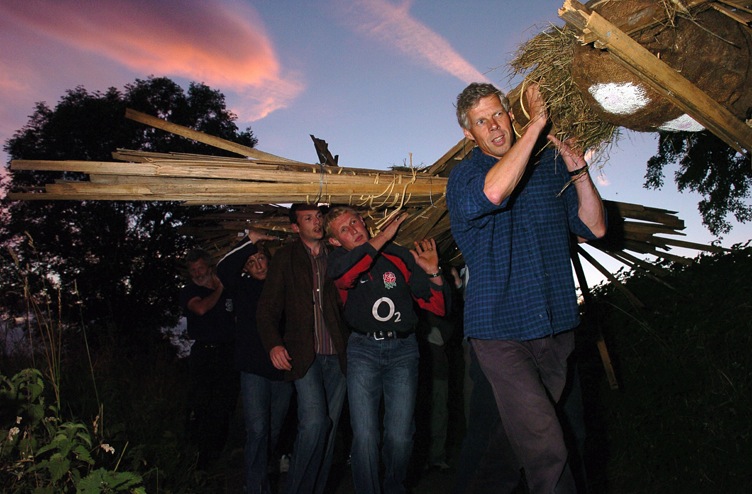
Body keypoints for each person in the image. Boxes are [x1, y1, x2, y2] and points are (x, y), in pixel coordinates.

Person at [445, 82, 607, 493]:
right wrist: (538, 124)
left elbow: (595, 227)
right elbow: (495, 192)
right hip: (500, 333)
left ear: (509, 114)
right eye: (482, 122)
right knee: (547, 446)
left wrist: (579, 172)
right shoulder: (465, 176)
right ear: (469, 134)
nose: (495, 126)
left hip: (555, 326)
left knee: (509, 447)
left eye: (498, 114)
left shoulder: (549, 166)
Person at [324, 206, 448, 494]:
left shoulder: (399, 256)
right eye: (344, 229)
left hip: (403, 351)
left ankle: (394, 487)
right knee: (366, 436)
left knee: (401, 436)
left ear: (363, 221)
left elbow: (438, 306)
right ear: (334, 241)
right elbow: (345, 277)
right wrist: (382, 236)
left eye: (355, 222)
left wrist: (434, 273)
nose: (354, 230)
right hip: (363, 351)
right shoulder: (339, 261)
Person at [257, 203, 348, 494]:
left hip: (338, 353)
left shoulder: (337, 256)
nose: (317, 222)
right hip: (304, 355)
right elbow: (266, 309)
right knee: (314, 424)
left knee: (330, 430)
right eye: (308, 218)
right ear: (296, 227)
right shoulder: (285, 258)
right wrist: (274, 344)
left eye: (319, 216)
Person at [216, 231, 293, 494]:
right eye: (251, 262)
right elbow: (224, 269)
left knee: (271, 432)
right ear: (245, 268)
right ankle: (255, 487)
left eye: (261, 258)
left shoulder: (283, 283)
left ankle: (261, 477)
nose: (259, 265)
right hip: (252, 369)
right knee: (258, 430)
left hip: (283, 370)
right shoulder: (242, 286)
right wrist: (249, 240)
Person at [179, 248, 239, 469]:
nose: (197, 273)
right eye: (193, 270)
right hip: (204, 354)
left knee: (225, 403)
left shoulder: (228, 290)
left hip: (227, 353)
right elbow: (201, 309)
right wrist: (220, 288)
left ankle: (218, 451)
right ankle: (198, 453)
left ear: (209, 266)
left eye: (200, 268)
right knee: (202, 402)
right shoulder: (190, 291)